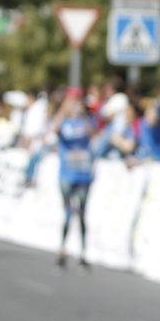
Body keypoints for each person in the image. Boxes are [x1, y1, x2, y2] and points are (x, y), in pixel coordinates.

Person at [54, 89, 96, 271]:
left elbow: (93, 132)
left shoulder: (85, 122)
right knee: (67, 213)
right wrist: (64, 109)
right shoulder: (64, 123)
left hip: (84, 174)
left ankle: (83, 253)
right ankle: (62, 250)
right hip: (66, 175)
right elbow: (54, 129)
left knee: (82, 213)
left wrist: (84, 113)